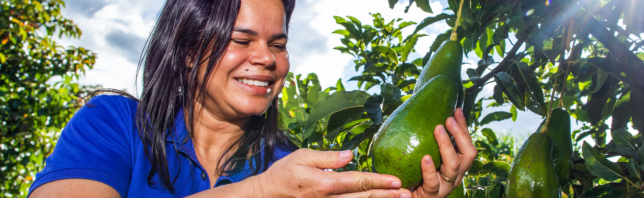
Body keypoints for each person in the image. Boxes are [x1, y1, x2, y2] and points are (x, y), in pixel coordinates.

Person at [27, 0, 477, 197]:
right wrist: (262, 192)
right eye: (241, 40)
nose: (266, 58)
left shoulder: (294, 168)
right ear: (187, 50)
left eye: (278, 45)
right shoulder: (114, 123)